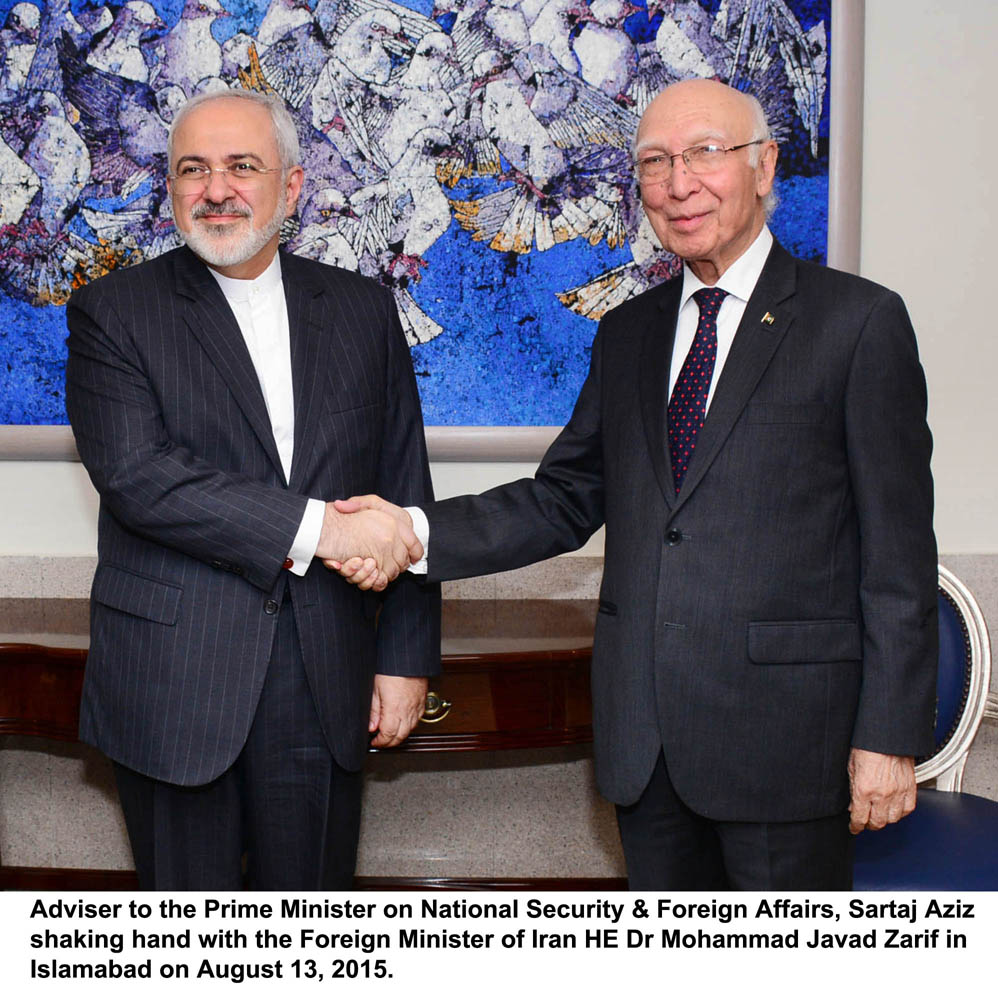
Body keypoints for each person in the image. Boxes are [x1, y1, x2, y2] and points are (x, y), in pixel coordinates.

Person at [332, 79, 938, 890]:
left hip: (790, 747)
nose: (678, 183)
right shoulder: (628, 331)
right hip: (643, 742)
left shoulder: (858, 323)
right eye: (654, 162)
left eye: (704, 154)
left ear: (764, 166)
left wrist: (889, 736)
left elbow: (899, 554)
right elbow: (564, 497)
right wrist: (411, 532)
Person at [64, 89, 439, 891]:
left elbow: (405, 490)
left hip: (325, 675)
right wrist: (323, 531)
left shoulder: (363, 310)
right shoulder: (112, 313)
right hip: (175, 679)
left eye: (242, 166)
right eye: (191, 170)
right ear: (170, 188)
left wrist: (406, 658)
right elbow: (141, 477)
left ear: (292, 187)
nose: (216, 188)